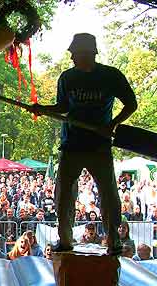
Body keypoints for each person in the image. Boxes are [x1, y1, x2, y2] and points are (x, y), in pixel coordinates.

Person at [28, 33, 138, 255]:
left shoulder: (111, 76)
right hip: (71, 145)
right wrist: (42, 108)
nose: (71, 59)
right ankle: (66, 240)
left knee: (108, 194)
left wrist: (113, 124)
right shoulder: (67, 78)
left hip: (100, 145)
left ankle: (113, 239)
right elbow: (62, 107)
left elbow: (131, 104)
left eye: (74, 54)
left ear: (88, 54)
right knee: (64, 195)